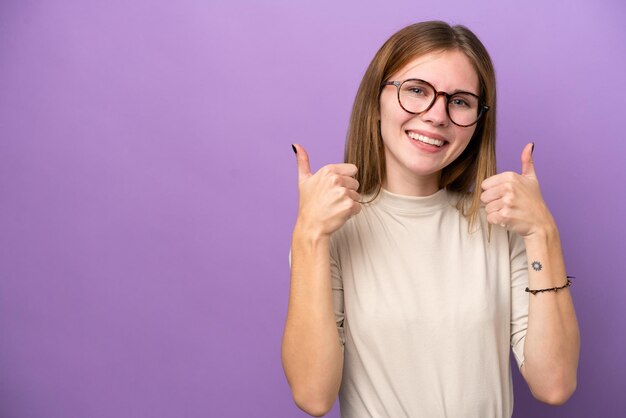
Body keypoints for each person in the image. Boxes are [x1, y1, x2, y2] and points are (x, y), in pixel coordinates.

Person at [281, 21, 579, 418]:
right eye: (417, 90)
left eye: (460, 101)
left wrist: (544, 232)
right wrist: (310, 234)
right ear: (376, 101)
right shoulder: (333, 230)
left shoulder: (503, 227)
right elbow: (313, 396)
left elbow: (555, 384)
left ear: (477, 122)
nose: (437, 115)